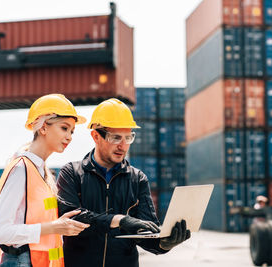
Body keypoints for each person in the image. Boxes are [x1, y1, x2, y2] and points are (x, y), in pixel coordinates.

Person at [57, 98, 191, 267]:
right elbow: (72, 218)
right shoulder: (71, 173)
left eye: (128, 137)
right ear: (96, 136)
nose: (123, 145)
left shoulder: (137, 179)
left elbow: (147, 234)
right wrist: (120, 220)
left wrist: (165, 244)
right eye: (116, 138)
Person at [0, 94, 90, 267]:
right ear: (43, 127)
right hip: (21, 261)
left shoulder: (41, 172)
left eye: (72, 131)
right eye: (64, 128)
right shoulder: (21, 169)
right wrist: (55, 227)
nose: (70, 136)